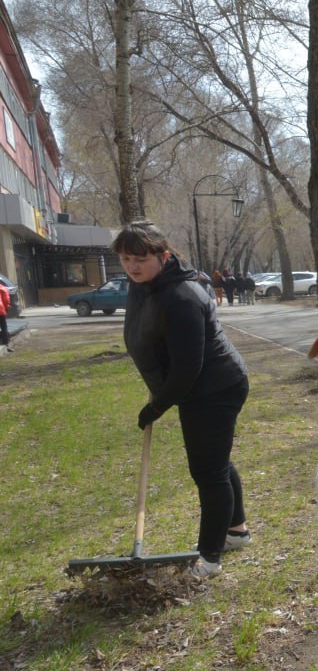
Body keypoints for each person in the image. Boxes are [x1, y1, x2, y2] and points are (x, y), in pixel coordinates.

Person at [111, 222, 252, 580]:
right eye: (126, 259)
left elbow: (190, 366)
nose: (132, 267)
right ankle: (237, 532)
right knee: (216, 461)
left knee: (208, 471)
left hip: (215, 387)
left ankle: (209, 558)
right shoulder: (145, 285)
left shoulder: (182, 297)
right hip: (194, 386)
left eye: (140, 259)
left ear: (165, 256)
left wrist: (157, 405)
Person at [0, 279, 10, 354]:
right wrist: (6, 308)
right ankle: (6, 344)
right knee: (4, 327)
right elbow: (6, 299)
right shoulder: (2, 287)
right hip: (1, 310)